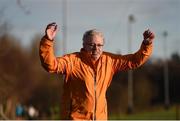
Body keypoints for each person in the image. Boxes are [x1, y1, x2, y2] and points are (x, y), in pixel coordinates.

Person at [39, 22, 155, 120]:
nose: (96, 49)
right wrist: (48, 40)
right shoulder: (72, 61)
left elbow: (133, 61)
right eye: (92, 45)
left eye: (99, 45)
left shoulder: (109, 60)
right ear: (84, 45)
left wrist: (146, 44)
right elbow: (51, 65)